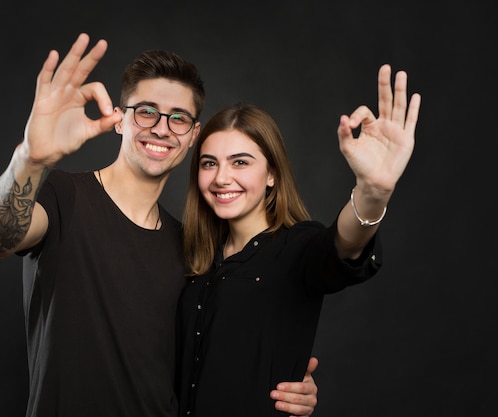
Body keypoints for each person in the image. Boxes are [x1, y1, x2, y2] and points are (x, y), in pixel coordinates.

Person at [0, 33, 318, 417]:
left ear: (192, 136)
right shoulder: (62, 195)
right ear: (120, 119)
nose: (161, 128)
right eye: (146, 111)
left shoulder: (191, 248)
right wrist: (31, 159)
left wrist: (286, 382)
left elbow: (213, 352)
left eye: (178, 118)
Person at [177, 65, 421, 416]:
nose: (221, 178)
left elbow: (345, 246)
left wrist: (373, 191)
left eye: (240, 162)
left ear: (272, 174)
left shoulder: (298, 248)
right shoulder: (190, 254)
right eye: (208, 163)